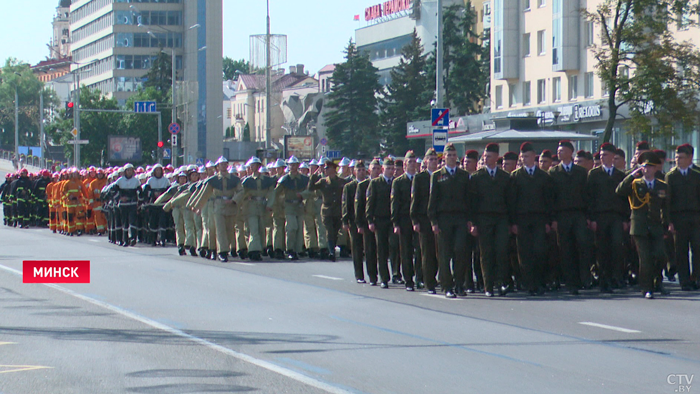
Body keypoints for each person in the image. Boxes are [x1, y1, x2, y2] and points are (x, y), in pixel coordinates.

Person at [616, 151, 668, 299]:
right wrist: (632, 175)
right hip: (639, 227)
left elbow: (665, 207)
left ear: (655, 168)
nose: (647, 170)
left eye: (650, 167)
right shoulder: (634, 183)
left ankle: (658, 282)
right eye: (645, 167)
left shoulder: (662, 185)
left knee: (660, 255)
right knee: (645, 259)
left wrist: (666, 225)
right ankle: (646, 288)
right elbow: (619, 191)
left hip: (656, 226)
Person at [428, 143, 473, 298]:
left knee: (460, 251)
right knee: (445, 254)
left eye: (454, 155)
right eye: (449, 155)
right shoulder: (437, 175)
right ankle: (447, 286)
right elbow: (432, 200)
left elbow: (468, 199)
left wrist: (469, 219)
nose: (452, 158)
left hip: (460, 218)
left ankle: (459, 284)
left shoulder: (463, 175)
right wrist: (433, 221)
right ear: (444, 157)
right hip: (444, 218)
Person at [550, 140, 594, 294]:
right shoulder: (554, 172)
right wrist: (553, 219)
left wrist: (588, 216)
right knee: (565, 249)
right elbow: (551, 198)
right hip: (562, 215)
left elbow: (587, 195)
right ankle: (571, 282)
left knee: (582, 246)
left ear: (570, 152)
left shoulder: (581, 172)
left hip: (578, 214)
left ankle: (584, 278)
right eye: (558, 150)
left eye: (562, 150)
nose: (559, 152)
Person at [510, 142, 554, 296]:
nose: (524, 159)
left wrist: (549, 221)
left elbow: (549, 200)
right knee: (524, 253)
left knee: (540, 251)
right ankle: (529, 284)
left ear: (534, 156)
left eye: (527, 156)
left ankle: (540, 282)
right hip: (522, 219)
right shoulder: (515, 176)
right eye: (522, 157)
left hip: (539, 218)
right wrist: (513, 222)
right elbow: (512, 202)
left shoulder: (543, 176)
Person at [470, 143, 513, 297]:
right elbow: (472, 202)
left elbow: (510, 201)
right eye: (484, 156)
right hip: (483, 218)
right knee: (486, 253)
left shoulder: (505, 177)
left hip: (501, 218)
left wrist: (510, 222)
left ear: (496, 157)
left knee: (501, 251)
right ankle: (488, 285)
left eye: (489, 156)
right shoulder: (476, 177)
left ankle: (501, 283)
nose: (486, 158)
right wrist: (473, 223)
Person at [586, 142, 628, 293]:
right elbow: (590, 197)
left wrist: (625, 219)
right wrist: (591, 218)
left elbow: (625, 200)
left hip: (616, 216)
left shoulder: (620, 175)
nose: (603, 158)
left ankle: (615, 276)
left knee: (617, 246)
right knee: (602, 248)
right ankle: (603, 278)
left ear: (612, 157)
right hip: (600, 216)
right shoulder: (594, 174)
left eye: (606, 155)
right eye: (601, 155)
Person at [665, 144, 700, 291]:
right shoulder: (671, 176)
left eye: (681, 157)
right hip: (678, 218)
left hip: (695, 216)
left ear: (690, 158)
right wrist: (669, 222)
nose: (678, 160)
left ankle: (696, 278)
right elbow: (667, 201)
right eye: (676, 157)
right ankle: (684, 281)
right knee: (681, 251)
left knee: (697, 249)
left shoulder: (697, 174)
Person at [391, 151, 421, 291]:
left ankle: (420, 277)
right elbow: (395, 203)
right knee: (406, 251)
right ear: (404, 165)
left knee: (420, 250)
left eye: (414, 162)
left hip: (419, 219)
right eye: (410, 162)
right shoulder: (398, 182)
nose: (412, 165)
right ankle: (408, 280)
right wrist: (395, 223)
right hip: (404, 219)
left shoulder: (420, 179)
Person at [411, 149, 439, 294]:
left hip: (438, 219)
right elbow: (415, 200)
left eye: (436, 159)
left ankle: (434, 277)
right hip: (423, 218)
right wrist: (415, 219)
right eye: (431, 159)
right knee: (426, 252)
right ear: (426, 161)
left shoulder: (441, 176)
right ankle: (427, 281)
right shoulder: (420, 178)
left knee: (439, 251)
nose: (434, 162)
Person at [308, 159, 348, 261]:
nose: (325, 170)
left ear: (334, 169)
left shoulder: (341, 182)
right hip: (326, 211)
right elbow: (311, 188)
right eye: (325, 168)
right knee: (329, 231)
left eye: (327, 168)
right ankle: (331, 252)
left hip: (337, 211)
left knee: (335, 232)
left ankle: (332, 248)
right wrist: (313, 176)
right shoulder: (323, 181)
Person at [269, 156, 309, 260]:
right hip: (289, 206)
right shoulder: (284, 179)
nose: (293, 167)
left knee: (299, 229)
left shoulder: (304, 179)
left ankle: (297, 250)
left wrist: (303, 194)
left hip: (299, 206)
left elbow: (311, 191)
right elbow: (275, 192)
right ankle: (290, 249)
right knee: (291, 227)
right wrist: (270, 205)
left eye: (294, 165)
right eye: (291, 165)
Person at [366, 157, 395, 287]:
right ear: (383, 169)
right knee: (381, 249)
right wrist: (370, 220)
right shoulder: (376, 183)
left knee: (394, 246)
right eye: (388, 168)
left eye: (392, 169)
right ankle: (384, 277)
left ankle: (396, 273)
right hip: (379, 219)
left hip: (392, 219)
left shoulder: (395, 182)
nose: (390, 171)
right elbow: (370, 203)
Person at [356, 159, 381, 285]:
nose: (376, 171)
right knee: (370, 249)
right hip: (367, 222)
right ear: (369, 170)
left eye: (378, 168)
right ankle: (372, 276)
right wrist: (360, 224)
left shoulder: (383, 183)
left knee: (382, 250)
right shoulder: (363, 185)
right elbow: (359, 206)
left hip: (380, 221)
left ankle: (384, 275)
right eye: (374, 168)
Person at [343, 160, 367, 282]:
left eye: (363, 170)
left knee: (368, 248)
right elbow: (346, 204)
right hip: (353, 220)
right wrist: (345, 221)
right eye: (359, 170)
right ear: (354, 172)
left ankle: (371, 273)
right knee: (357, 248)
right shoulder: (349, 186)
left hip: (366, 220)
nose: (361, 172)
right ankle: (359, 275)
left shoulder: (369, 184)